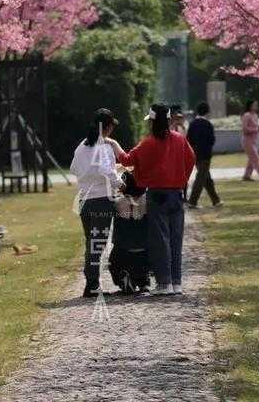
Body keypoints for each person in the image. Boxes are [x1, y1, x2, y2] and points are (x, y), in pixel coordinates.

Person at [115, 103, 195, 295]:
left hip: (157, 195)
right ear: (169, 120)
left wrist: (113, 144)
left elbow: (126, 160)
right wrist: (181, 179)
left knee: (160, 240)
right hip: (177, 193)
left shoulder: (148, 142)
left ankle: (164, 283)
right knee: (176, 239)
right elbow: (191, 159)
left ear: (151, 121)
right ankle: (176, 282)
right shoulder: (179, 139)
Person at [70, 107, 122, 297]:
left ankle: (91, 283)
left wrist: (87, 177)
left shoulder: (82, 146)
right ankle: (91, 285)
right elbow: (107, 171)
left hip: (84, 200)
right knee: (97, 244)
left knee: (91, 242)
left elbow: (74, 169)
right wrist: (121, 185)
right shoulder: (104, 147)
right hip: (101, 200)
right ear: (107, 128)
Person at [108, 170, 151, 294]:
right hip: (144, 251)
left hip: (123, 250)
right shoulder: (148, 203)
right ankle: (144, 283)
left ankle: (123, 280)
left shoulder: (117, 203)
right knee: (144, 262)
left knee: (113, 261)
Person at [186, 101, 222, 209]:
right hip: (205, 155)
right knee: (201, 178)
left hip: (195, 154)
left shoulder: (192, 124)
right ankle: (192, 201)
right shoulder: (208, 124)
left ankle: (216, 200)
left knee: (206, 177)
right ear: (207, 112)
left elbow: (189, 139)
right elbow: (212, 140)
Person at [241, 98, 259, 181]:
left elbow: (256, 125)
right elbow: (245, 129)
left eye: (257, 105)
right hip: (247, 140)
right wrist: (256, 130)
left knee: (251, 159)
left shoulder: (255, 115)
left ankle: (246, 176)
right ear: (249, 106)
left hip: (253, 140)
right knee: (255, 158)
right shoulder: (246, 115)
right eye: (254, 105)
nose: (256, 106)